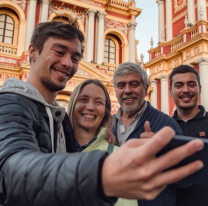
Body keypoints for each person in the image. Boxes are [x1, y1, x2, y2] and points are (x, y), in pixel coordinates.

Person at [0, 21, 204, 206]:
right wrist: (102, 173)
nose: (68, 63)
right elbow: (11, 170)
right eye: (59, 52)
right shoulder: (11, 104)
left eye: (75, 57)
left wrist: (165, 156)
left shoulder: (59, 120)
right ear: (32, 52)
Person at [111, 62, 185, 206]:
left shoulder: (167, 126)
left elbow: (185, 180)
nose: (127, 91)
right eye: (121, 85)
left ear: (146, 89)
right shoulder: (107, 126)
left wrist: (162, 153)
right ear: (115, 90)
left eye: (134, 84)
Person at [68, 79, 138, 206]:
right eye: (83, 99)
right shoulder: (54, 147)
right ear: (73, 104)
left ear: (106, 112)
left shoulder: (117, 157)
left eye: (98, 102)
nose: (90, 107)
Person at [169, 65, 208, 206]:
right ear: (170, 91)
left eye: (191, 85)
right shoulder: (163, 128)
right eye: (179, 85)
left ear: (200, 89)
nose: (186, 90)